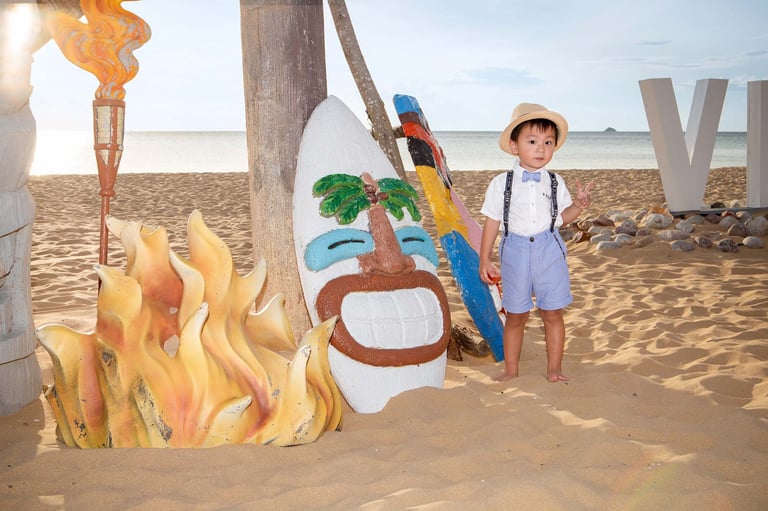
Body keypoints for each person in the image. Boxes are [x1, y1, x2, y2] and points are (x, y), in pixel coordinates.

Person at [478, 103, 593, 383]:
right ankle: (511, 369)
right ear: (515, 146)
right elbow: (493, 221)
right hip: (514, 251)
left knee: (552, 311)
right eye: (532, 141)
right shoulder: (500, 183)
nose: (541, 149)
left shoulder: (555, 182)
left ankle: (554, 368)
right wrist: (485, 257)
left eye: (547, 142)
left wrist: (578, 206)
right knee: (516, 315)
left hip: (548, 249)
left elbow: (561, 219)